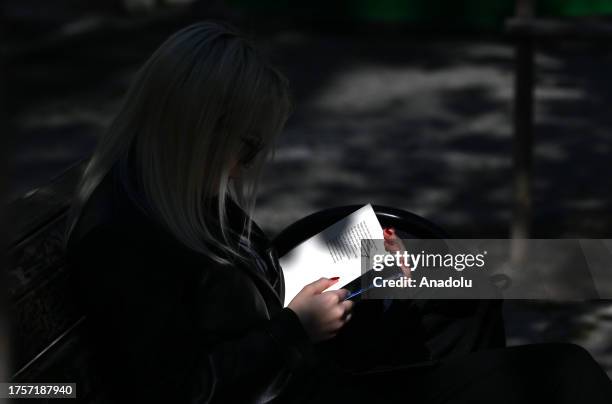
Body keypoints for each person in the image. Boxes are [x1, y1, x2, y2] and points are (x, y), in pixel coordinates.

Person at [65, 22, 612, 403]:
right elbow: (178, 389)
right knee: (565, 372)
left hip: (305, 373)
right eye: (247, 148)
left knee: (456, 286)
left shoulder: (171, 191)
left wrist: (355, 265)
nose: (244, 170)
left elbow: (242, 291)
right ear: (197, 132)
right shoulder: (124, 239)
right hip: (302, 381)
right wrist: (295, 329)